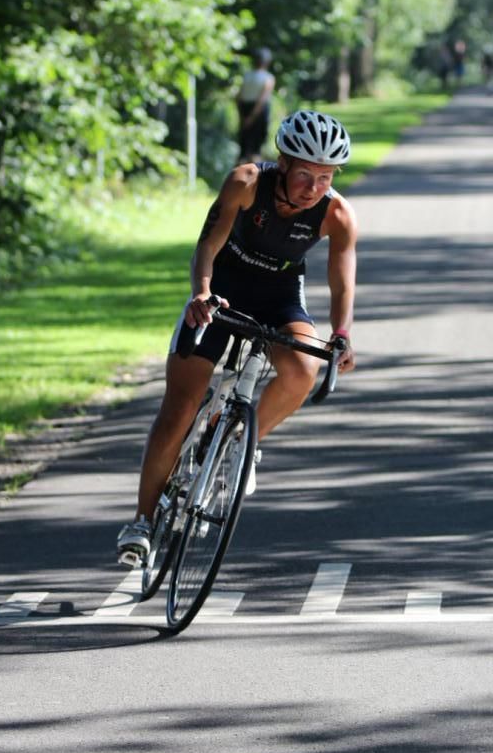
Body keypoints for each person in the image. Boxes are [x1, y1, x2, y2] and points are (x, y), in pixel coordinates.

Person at [116, 109, 358, 567]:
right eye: (305, 174)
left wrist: (341, 335)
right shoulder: (246, 182)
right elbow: (207, 245)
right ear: (283, 163)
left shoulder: (338, 214)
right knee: (180, 407)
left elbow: (342, 280)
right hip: (223, 288)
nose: (314, 187)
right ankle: (142, 522)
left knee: (302, 369)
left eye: (325, 177)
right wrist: (202, 294)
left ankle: (242, 444)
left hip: (280, 293)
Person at [236, 47, 275, 161]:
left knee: (244, 148)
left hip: (244, 110)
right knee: (256, 150)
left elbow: (238, 97)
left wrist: (243, 117)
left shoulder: (247, 76)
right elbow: (262, 100)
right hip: (259, 113)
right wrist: (252, 117)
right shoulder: (268, 78)